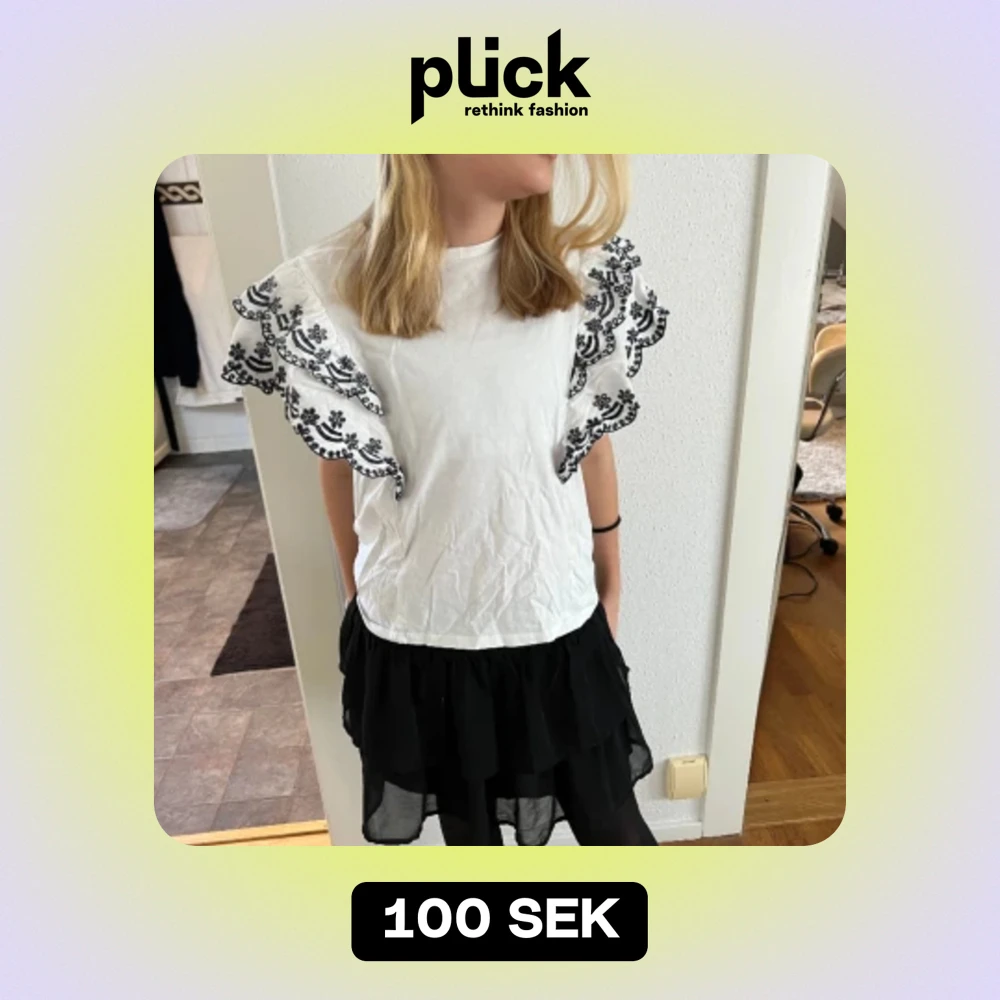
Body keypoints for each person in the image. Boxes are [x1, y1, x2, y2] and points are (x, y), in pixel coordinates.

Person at [221, 154, 670, 846]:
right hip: (418, 640)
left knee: (616, 835)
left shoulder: (580, 274)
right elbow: (339, 464)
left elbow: (591, 438)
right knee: (471, 849)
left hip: (556, 619)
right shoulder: (325, 290)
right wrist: (359, 588)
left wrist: (612, 574)